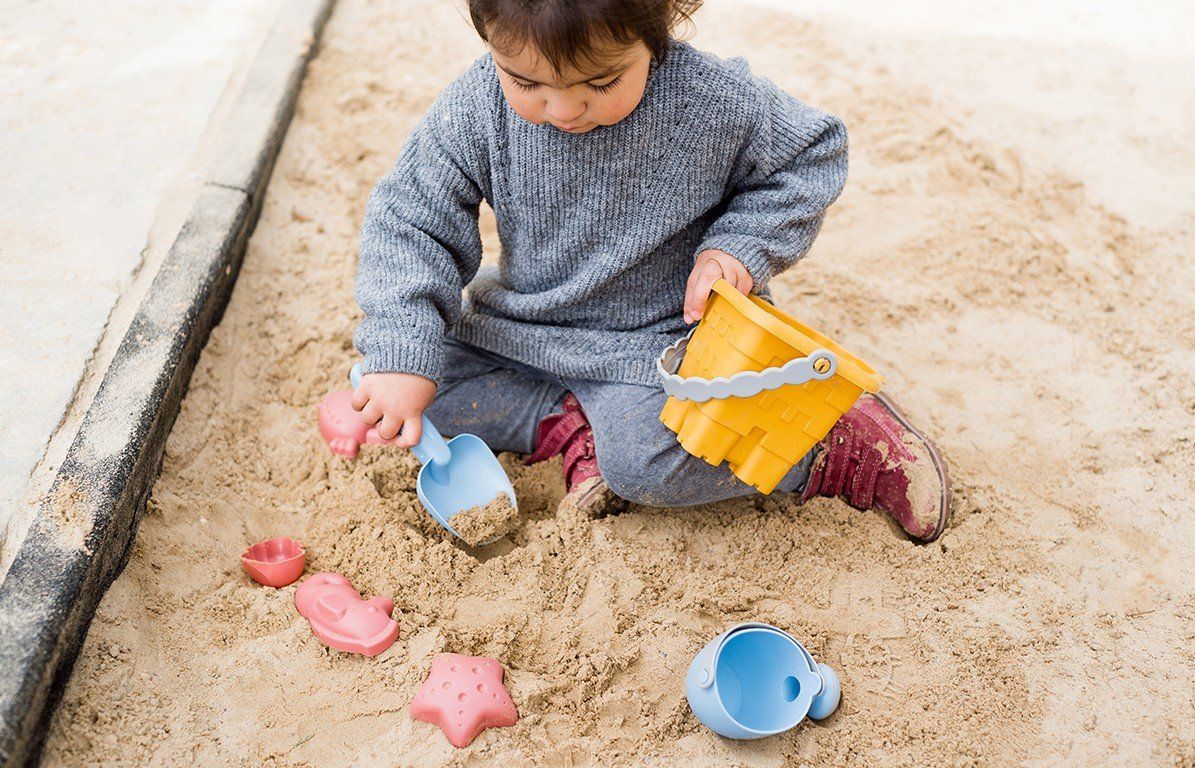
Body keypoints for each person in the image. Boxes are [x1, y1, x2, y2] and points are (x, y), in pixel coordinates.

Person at [350, 0, 949, 541]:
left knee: (646, 465)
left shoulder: (710, 100)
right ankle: (575, 424)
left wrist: (741, 246)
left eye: (600, 81)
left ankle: (828, 443)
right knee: (410, 383)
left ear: (656, 28)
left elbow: (810, 153)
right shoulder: (476, 108)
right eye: (525, 81)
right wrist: (402, 356)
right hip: (531, 325)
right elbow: (411, 221)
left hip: (664, 343)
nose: (562, 108)